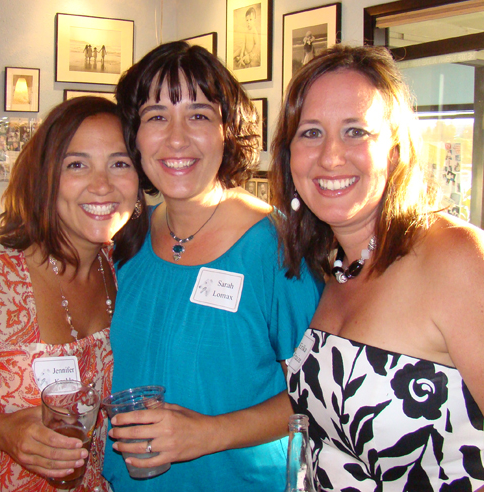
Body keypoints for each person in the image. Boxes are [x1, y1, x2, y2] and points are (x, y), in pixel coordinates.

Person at [269, 44, 484, 491]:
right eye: (311, 133)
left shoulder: (455, 258)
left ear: (394, 151)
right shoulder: (335, 265)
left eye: (355, 131)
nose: (331, 156)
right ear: (289, 157)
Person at [104, 41, 322, 491]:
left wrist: (209, 433)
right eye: (156, 116)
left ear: (228, 131)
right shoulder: (127, 236)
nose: (177, 138)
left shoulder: (275, 247)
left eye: (199, 115)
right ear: (135, 136)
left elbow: (318, 397)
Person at [0, 96, 148, 491]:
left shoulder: (125, 271)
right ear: (44, 177)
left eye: (120, 163)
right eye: (77, 164)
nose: (102, 185)